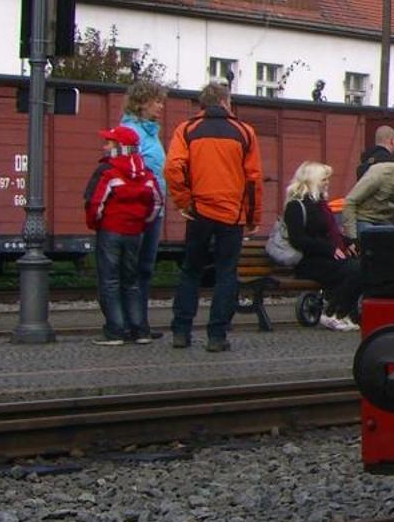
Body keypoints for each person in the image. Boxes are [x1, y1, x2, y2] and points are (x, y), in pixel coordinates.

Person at [167, 80, 263, 352]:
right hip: (231, 214)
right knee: (226, 273)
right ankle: (217, 335)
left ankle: (181, 331)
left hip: (199, 211)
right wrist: (252, 217)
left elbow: (173, 169)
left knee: (191, 271)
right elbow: (252, 179)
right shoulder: (244, 132)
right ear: (224, 102)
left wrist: (185, 201)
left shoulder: (186, 130)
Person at [84, 126, 162, 344]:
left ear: (120, 147)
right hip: (134, 232)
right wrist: (143, 222)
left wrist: (95, 223)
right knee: (132, 281)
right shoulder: (146, 173)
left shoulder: (108, 171)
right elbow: (157, 201)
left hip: (110, 230)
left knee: (109, 281)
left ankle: (115, 331)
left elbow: (95, 202)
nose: (104, 146)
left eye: (109, 143)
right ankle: (140, 331)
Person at [283, 162, 360, 330]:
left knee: (361, 267)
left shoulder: (321, 205)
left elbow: (331, 232)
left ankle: (345, 312)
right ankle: (333, 312)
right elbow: (298, 239)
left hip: (329, 258)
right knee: (354, 270)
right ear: (312, 180)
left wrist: (347, 243)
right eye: (324, 179)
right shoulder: (296, 206)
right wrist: (329, 248)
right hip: (310, 261)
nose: (327, 182)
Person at [118, 81, 168, 339]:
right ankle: (129, 323)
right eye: (156, 101)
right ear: (141, 103)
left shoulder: (151, 133)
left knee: (145, 267)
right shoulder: (129, 132)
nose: (161, 106)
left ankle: (141, 322)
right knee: (131, 267)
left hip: (154, 208)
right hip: (135, 209)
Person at [340, 143, 394, 249]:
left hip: (387, 223)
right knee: (375, 240)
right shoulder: (381, 173)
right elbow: (350, 202)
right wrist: (351, 239)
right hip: (366, 220)